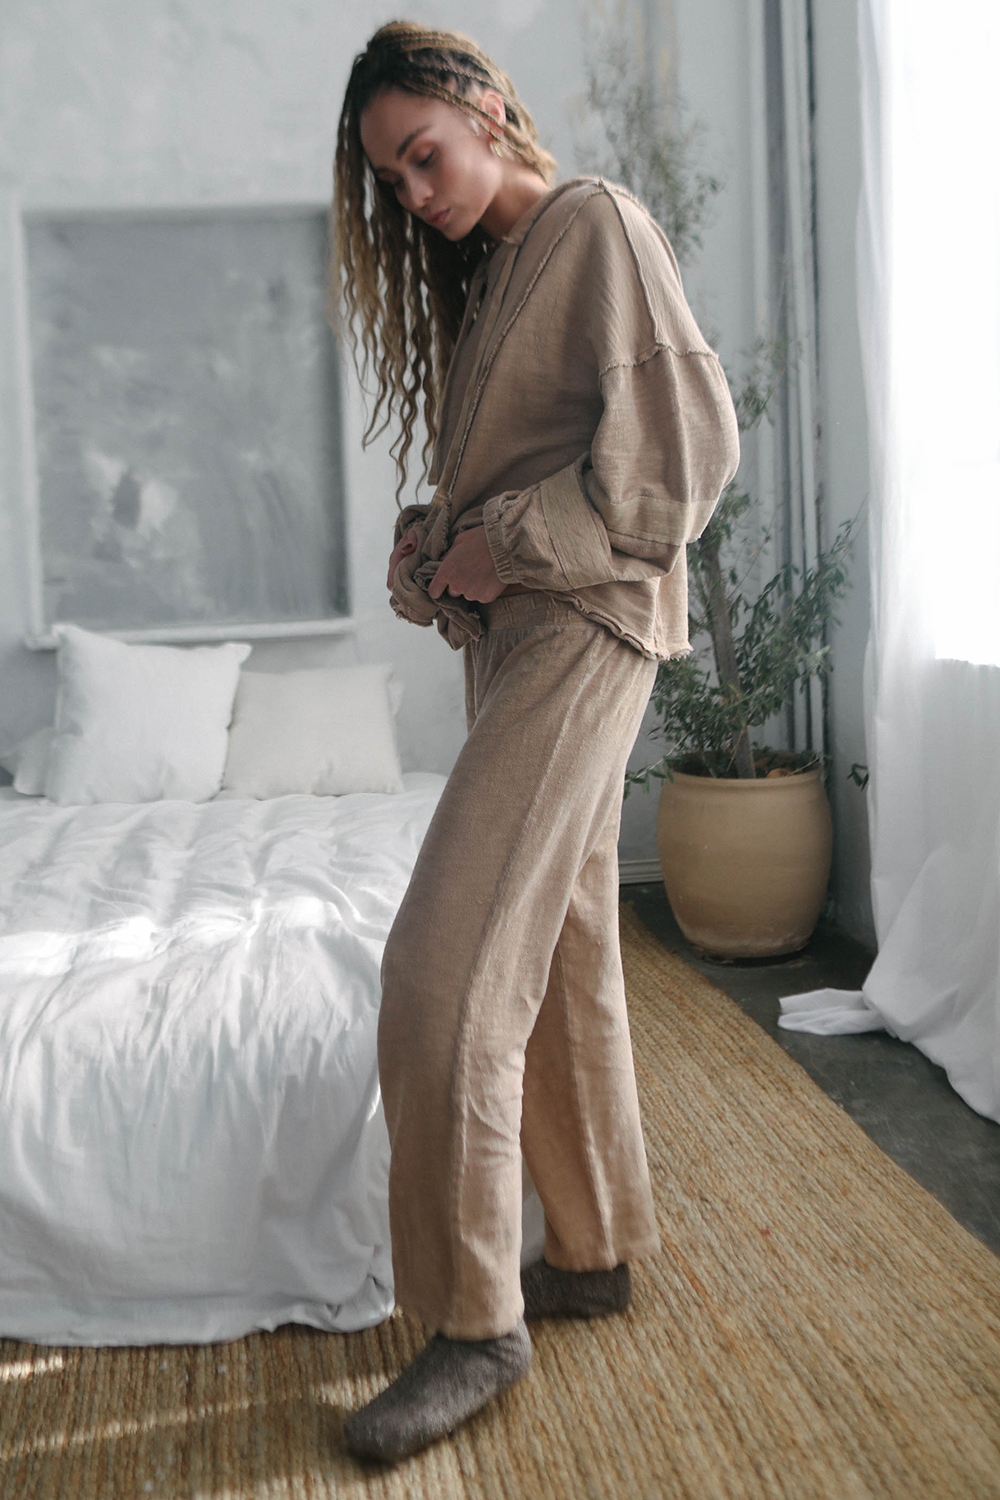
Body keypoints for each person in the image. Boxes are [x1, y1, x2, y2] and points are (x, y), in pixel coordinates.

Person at [330, 20, 740, 1464]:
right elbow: (520, 489)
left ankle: (472, 1323)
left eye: (422, 156)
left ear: (488, 108)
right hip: (515, 648)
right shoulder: (496, 273)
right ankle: (597, 1244)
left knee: (440, 971)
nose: (414, 194)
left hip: (581, 637)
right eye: (392, 179)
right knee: (562, 947)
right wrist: (437, 546)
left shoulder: (595, 223)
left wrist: (501, 542)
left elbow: (685, 456)